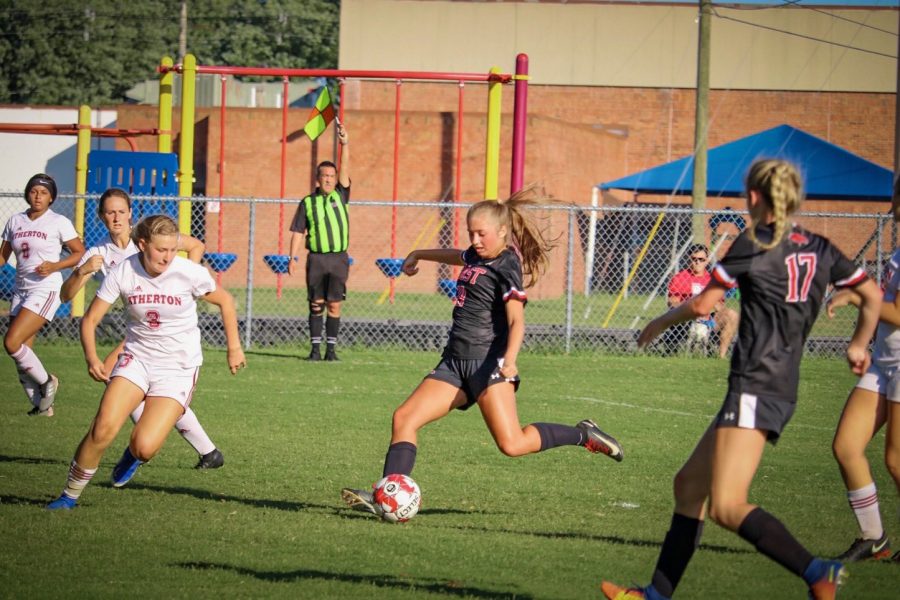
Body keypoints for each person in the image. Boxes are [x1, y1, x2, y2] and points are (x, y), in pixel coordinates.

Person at [601, 159, 881, 600]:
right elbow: (873, 294)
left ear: (754, 197)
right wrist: (858, 344)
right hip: (776, 384)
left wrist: (657, 323)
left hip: (755, 383)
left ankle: (817, 571)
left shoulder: (754, 243)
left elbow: (701, 306)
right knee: (689, 486)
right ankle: (654, 595)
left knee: (728, 505)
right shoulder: (823, 247)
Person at [341, 186, 624, 517]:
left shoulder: (507, 266)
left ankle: (583, 434)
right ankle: (386, 496)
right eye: (471, 232)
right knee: (404, 418)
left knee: (512, 444)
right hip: (454, 363)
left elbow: (517, 322)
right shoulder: (477, 254)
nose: (475, 239)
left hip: (488, 365)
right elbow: (457, 255)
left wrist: (511, 362)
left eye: (482, 233)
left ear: (502, 231)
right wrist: (419, 253)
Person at [46, 215, 246, 510]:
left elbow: (226, 301)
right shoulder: (124, 271)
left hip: (178, 368)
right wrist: (92, 358)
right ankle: (68, 496)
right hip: (136, 359)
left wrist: (234, 348)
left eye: (172, 249)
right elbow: (90, 320)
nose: (167, 256)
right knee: (102, 428)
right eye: (160, 249)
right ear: (142, 245)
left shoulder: (188, 272)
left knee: (145, 446)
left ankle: (133, 454)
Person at [60, 188, 225, 471]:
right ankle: (197, 449)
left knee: (131, 383)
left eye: (121, 211)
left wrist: (181, 283)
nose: (116, 217)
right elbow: (66, 296)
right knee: (120, 381)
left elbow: (195, 245)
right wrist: (80, 271)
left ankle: (150, 448)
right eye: (110, 212)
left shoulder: (150, 237)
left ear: (130, 214)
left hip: (165, 326)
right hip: (139, 329)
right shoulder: (98, 251)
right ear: (101, 216)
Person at [826, 178, 900, 563]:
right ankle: (875, 538)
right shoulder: (898, 252)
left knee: (896, 460)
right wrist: (860, 342)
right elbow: (881, 304)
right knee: (846, 446)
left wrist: (857, 295)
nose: (894, 203)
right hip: (886, 362)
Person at [1, 173, 85, 416]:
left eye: (44, 192)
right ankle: (41, 404)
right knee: (20, 352)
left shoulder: (58, 221)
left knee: (11, 342)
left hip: (45, 288)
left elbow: (79, 252)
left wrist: (54, 265)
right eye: (34, 191)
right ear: (28, 193)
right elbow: (3, 256)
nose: (38, 196)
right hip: (21, 290)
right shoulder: (15, 220)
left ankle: (48, 382)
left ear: (51, 198)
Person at [288, 122, 350, 361]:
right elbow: (297, 231)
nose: (328, 180)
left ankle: (331, 351)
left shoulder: (341, 195)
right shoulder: (307, 202)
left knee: (334, 304)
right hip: (316, 258)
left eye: (331, 176)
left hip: (338, 259)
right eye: (324, 176)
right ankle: (314, 350)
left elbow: (345, 169)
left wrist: (345, 144)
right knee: (316, 303)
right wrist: (292, 257)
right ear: (317, 178)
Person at [665, 243, 739, 358]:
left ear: (707, 260)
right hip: (686, 317)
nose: (697, 262)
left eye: (701, 259)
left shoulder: (712, 280)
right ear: (689, 259)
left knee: (732, 315)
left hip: (709, 318)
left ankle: (721, 356)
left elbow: (720, 306)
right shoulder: (680, 277)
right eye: (694, 259)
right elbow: (673, 302)